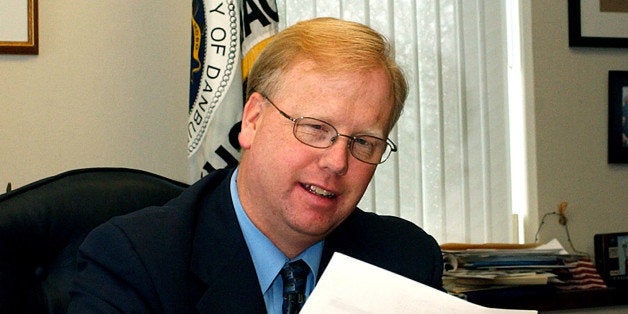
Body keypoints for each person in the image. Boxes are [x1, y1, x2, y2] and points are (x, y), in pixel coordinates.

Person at [68, 17, 443, 313]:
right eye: (315, 128)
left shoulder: (405, 261)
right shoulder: (136, 261)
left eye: (364, 142)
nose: (337, 162)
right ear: (252, 120)